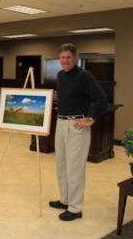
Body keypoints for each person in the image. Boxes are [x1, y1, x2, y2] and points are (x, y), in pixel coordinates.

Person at [49, 43, 107, 221]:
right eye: (62, 57)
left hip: (76, 126)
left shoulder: (84, 76)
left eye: (68, 57)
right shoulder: (60, 75)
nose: (65, 60)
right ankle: (65, 199)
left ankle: (75, 208)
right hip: (61, 123)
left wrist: (90, 118)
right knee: (61, 165)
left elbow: (101, 100)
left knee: (74, 168)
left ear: (75, 58)